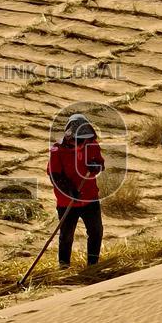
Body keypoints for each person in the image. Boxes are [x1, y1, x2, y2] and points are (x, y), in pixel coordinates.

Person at [47, 114, 105, 269]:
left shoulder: (91, 145)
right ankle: (64, 266)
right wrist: (69, 190)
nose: (81, 143)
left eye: (84, 139)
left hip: (90, 197)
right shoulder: (57, 150)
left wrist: (96, 166)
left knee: (96, 232)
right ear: (69, 136)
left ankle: (93, 266)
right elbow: (54, 175)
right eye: (78, 140)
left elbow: (100, 163)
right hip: (67, 202)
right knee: (66, 236)